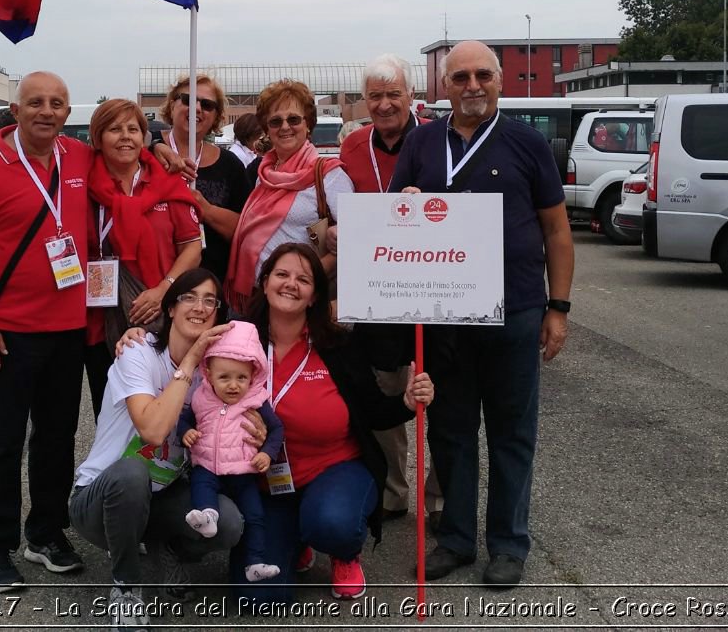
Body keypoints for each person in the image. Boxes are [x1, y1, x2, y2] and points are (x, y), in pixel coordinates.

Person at [388, 39, 574, 590]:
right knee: (450, 431)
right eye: (461, 77)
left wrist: (558, 307)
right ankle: (457, 541)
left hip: (514, 309)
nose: (472, 87)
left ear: (500, 81)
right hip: (445, 315)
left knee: (512, 432)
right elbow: (396, 218)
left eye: (482, 76)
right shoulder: (422, 142)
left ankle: (509, 545)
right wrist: (409, 203)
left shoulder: (527, 143)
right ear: (445, 85)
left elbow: (557, 230)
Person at [0, 71, 89, 591]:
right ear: (16, 110)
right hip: (6, 332)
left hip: (68, 328)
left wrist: (162, 153)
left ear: (67, 111)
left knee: (57, 439)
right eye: (35, 103)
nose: (46, 111)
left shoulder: (79, 157)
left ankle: (46, 534)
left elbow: (131, 156)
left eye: (56, 102)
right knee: (1, 445)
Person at [233, 243, 434, 603]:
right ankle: (296, 537)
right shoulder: (237, 339)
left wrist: (406, 402)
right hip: (266, 482)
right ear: (264, 283)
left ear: (314, 297)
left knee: (331, 524)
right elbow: (185, 341)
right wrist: (136, 339)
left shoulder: (336, 345)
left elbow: (372, 411)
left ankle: (342, 550)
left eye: (303, 279)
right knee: (256, 596)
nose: (290, 284)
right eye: (281, 274)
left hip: (334, 469)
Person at [70, 270, 246, 628]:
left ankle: (166, 551)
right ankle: (126, 589)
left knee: (228, 523)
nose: (199, 307)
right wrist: (190, 360)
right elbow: (152, 430)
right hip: (101, 498)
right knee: (132, 473)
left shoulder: (215, 371)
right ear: (169, 308)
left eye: (209, 300)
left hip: (161, 497)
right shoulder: (138, 352)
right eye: (189, 298)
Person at [335, 55, 443, 525]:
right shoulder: (352, 145)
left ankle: (439, 499)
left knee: (443, 393)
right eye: (374, 95)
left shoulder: (438, 140)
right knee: (386, 391)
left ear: (411, 96)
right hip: (378, 288)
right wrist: (327, 228)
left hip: (438, 283)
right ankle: (394, 490)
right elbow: (333, 208)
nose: (383, 105)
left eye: (392, 94)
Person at [84, 99, 204, 416]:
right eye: (114, 129)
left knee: (167, 408)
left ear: (144, 136)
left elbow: (192, 247)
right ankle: (119, 467)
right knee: (112, 411)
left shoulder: (167, 184)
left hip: (160, 315)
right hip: (102, 319)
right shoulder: (81, 183)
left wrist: (164, 289)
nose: (125, 137)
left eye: (133, 129)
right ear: (97, 138)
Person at [226, 79, 352, 311]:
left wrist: (304, 278)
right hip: (256, 296)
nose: (285, 127)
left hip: (298, 298)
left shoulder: (329, 175)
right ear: (266, 129)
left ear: (308, 124)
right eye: (275, 121)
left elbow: (354, 241)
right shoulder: (264, 174)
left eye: (293, 119)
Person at [175, 320, 286, 582]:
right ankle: (208, 517)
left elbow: (277, 430)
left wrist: (267, 453)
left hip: (243, 473)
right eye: (224, 377)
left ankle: (254, 563)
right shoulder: (201, 397)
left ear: (254, 375)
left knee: (255, 516)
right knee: (202, 488)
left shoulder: (256, 400)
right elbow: (183, 420)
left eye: (242, 378)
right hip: (206, 466)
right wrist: (185, 432)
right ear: (209, 374)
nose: (233, 385)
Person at [155, 75, 253, 285]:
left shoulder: (230, 165)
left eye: (207, 105)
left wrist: (206, 209)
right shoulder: (148, 155)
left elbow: (245, 229)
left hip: (211, 285)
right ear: (173, 105)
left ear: (216, 116)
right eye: (189, 100)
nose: (198, 108)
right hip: (153, 283)